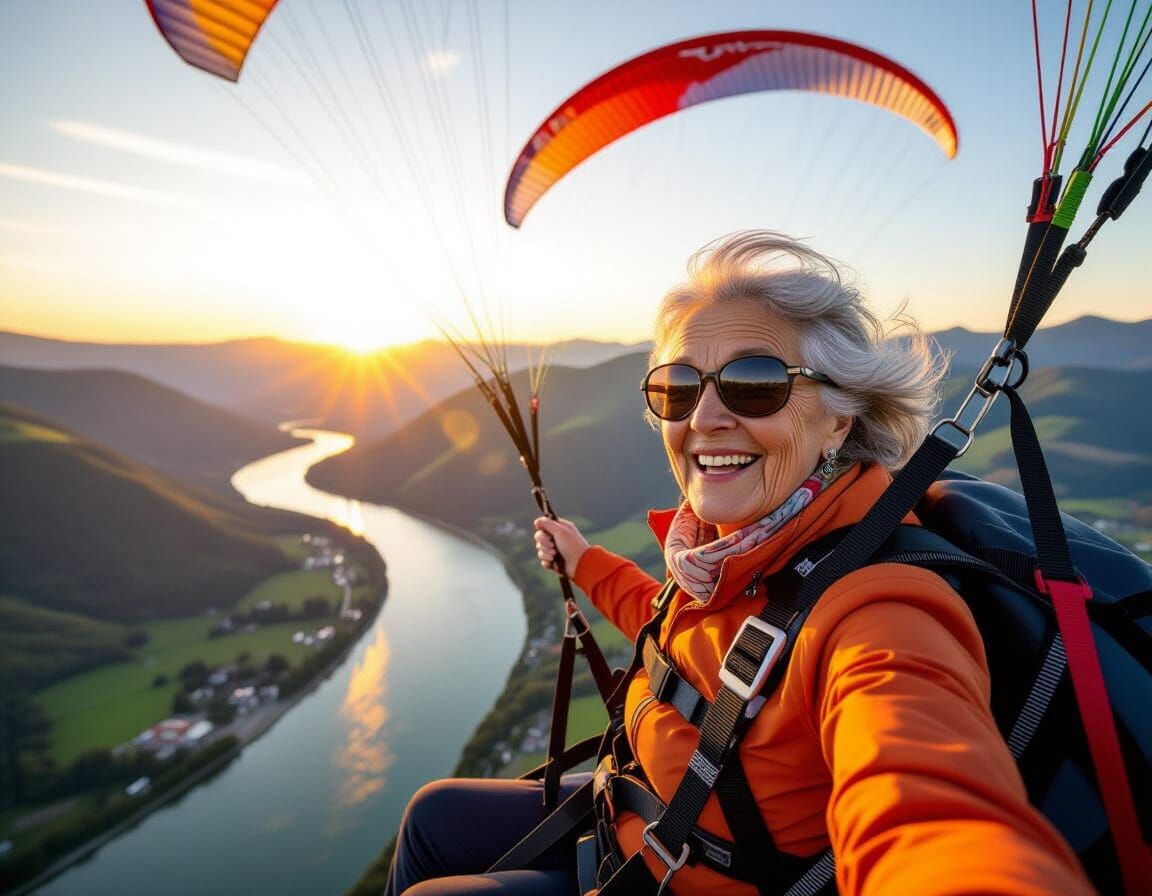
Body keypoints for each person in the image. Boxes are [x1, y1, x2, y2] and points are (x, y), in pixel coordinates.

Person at [386, 232, 1094, 895]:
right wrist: (585, 560)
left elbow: (927, 813)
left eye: (755, 383)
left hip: (674, 872)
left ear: (839, 418)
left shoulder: (878, 611)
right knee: (431, 815)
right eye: (679, 387)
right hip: (627, 814)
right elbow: (675, 631)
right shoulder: (729, 550)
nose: (704, 417)